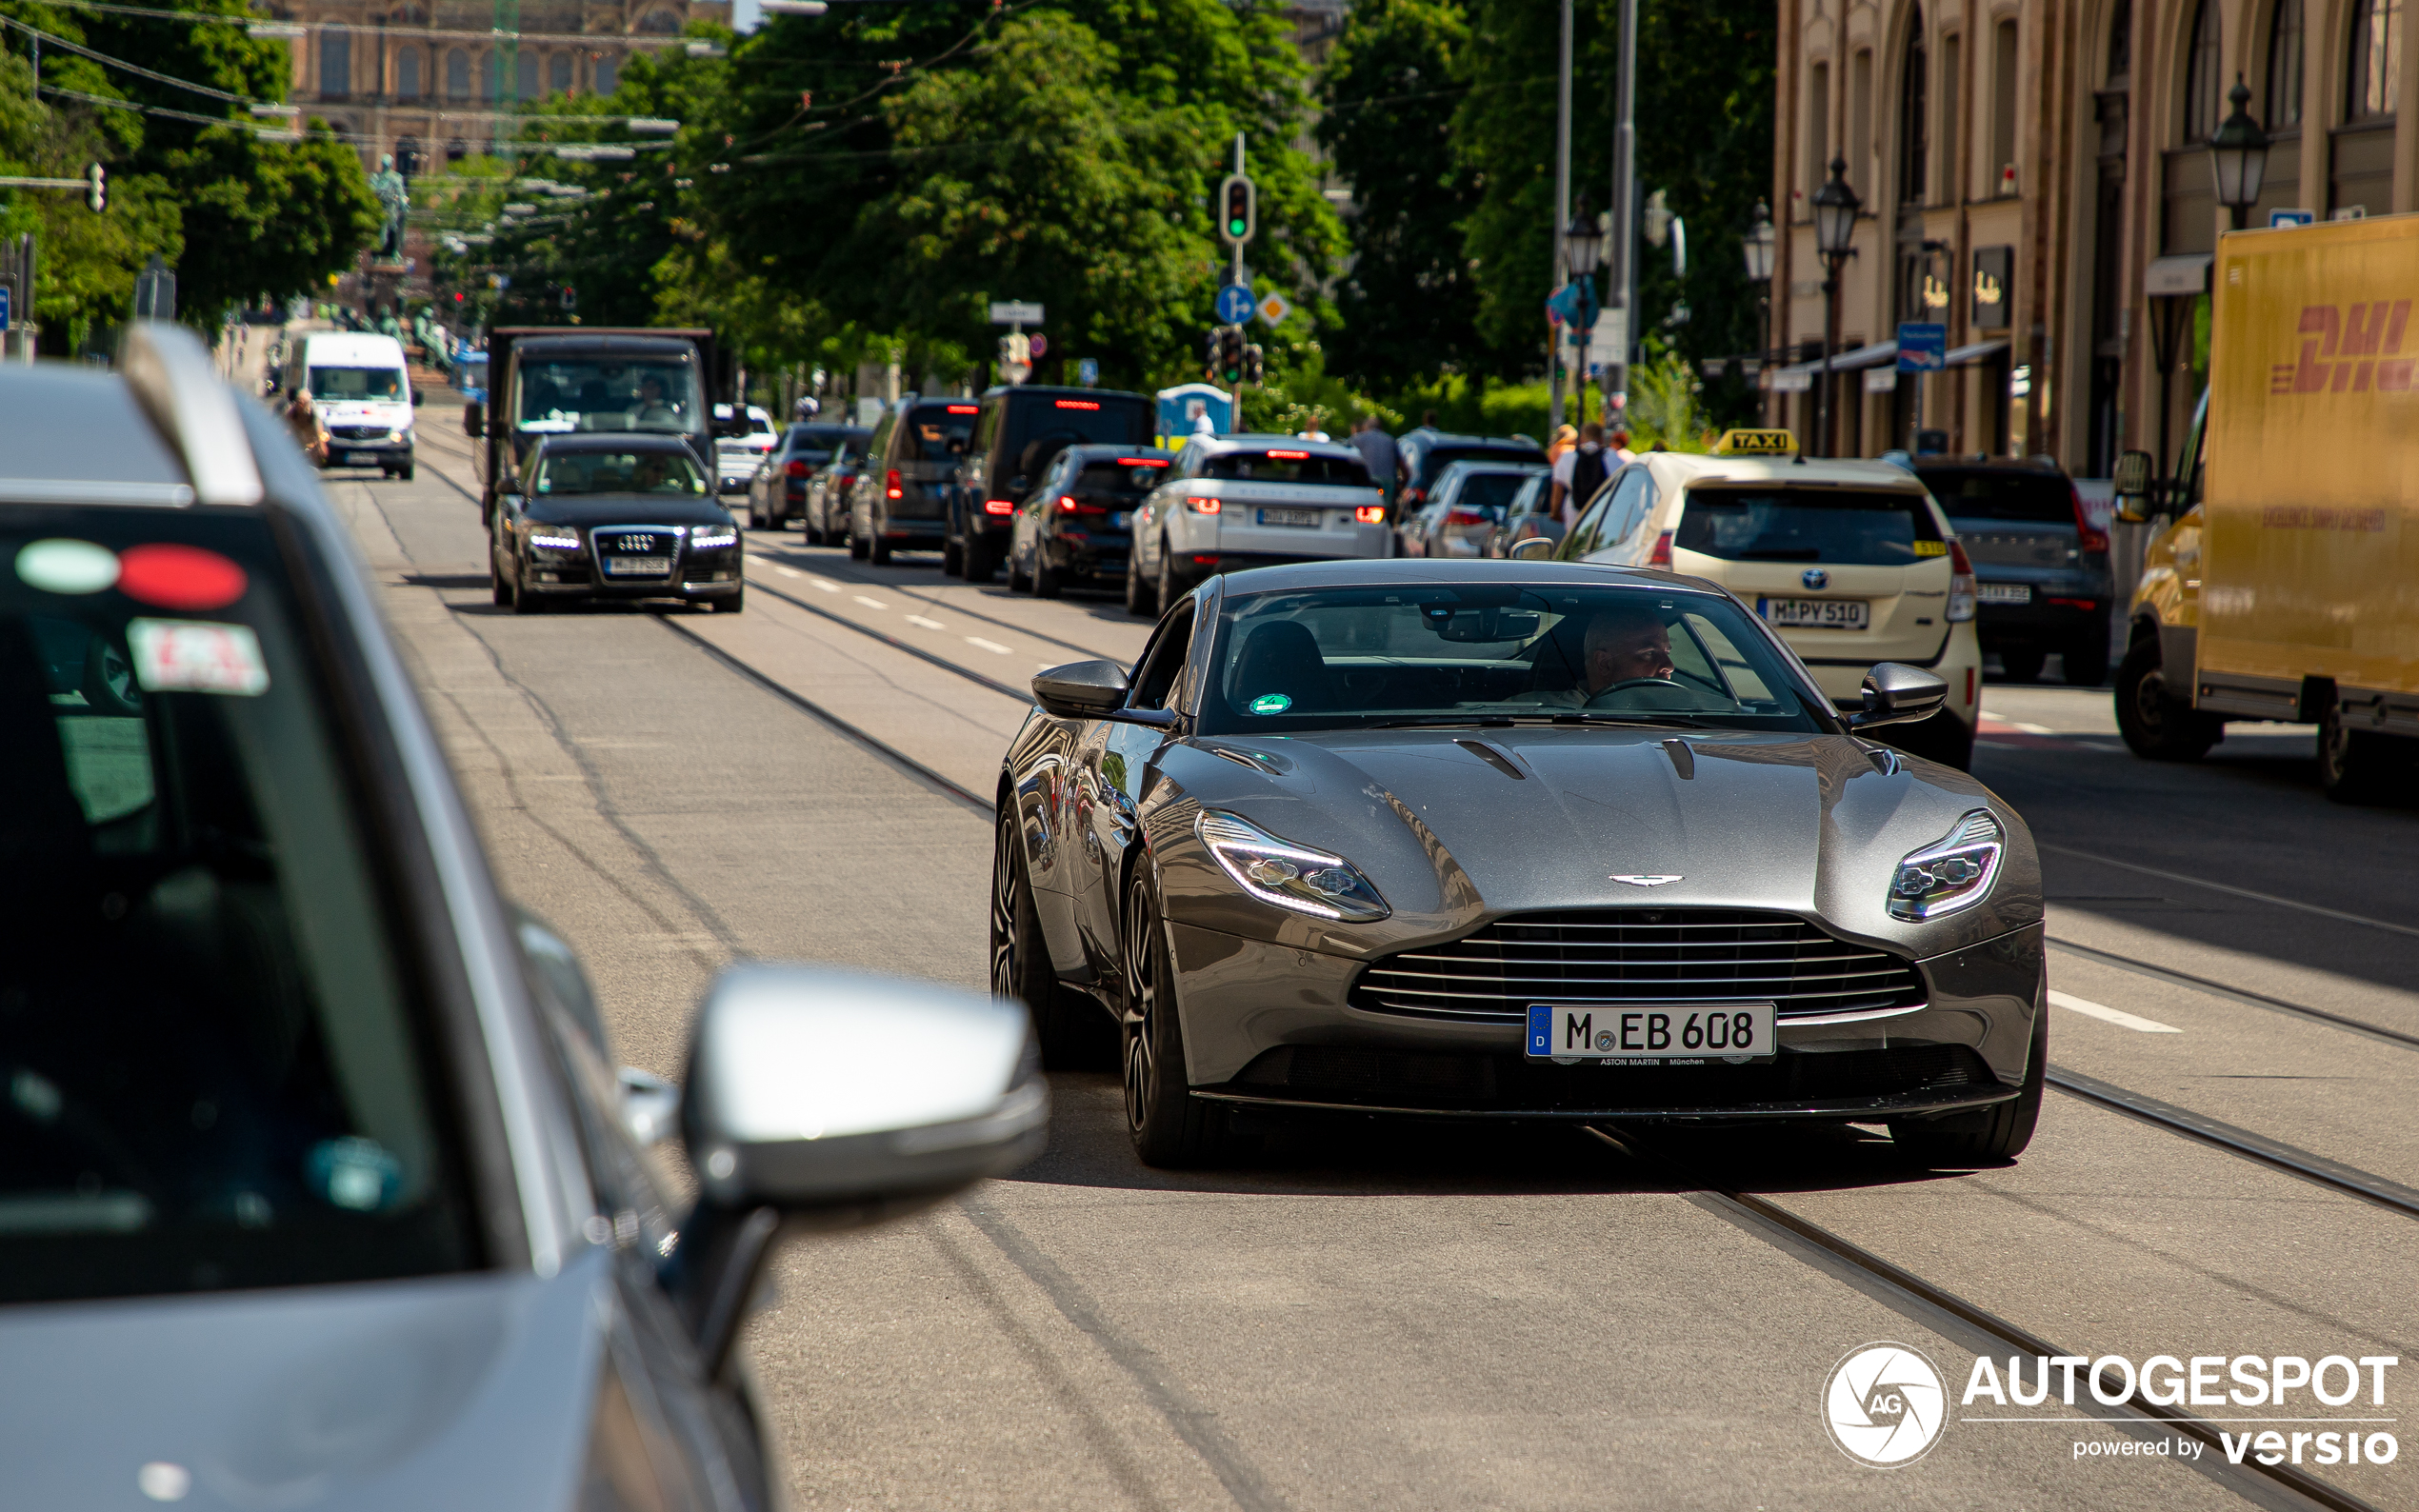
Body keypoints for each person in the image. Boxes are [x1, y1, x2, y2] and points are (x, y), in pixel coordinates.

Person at [1525, 606, 1677, 706]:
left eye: (1666, 652)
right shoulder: (1538, 714)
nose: (1670, 666)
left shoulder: (1684, 712)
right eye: (1649, 653)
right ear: (1604, 663)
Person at [1549, 422, 1609, 527]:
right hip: (1604, 516)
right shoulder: (1614, 457)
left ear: (1581, 438)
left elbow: (1557, 493)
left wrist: (1555, 513)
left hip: (1574, 515)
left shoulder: (1566, 457)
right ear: (1601, 439)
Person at [1346, 415, 1400, 510]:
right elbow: (1402, 465)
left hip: (1367, 480)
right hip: (1387, 481)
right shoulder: (1390, 440)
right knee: (1385, 510)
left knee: (1365, 508)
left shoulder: (1356, 439)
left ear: (1365, 427)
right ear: (1381, 428)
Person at [283, 389, 327, 466]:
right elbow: (283, 428)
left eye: (303, 402)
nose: (300, 404)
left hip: (311, 445)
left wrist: (322, 446)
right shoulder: (291, 412)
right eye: (298, 401)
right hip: (297, 443)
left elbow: (319, 432)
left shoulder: (313, 413)